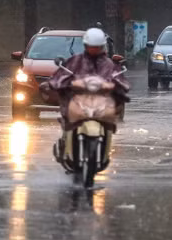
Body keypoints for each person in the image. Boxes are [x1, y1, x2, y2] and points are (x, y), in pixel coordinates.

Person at [46, 28, 130, 166]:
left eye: (97, 47)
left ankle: (104, 150)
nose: (94, 50)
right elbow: (60, 76)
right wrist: (60, 84)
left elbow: (120, 80)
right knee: (67, 112)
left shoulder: (109, 65)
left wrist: (120, 88)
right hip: (79, 102)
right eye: (91, 47)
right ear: (86, 46)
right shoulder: (75, 61)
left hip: (100, 103)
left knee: (111, 116)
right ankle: (65, 143)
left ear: (103, 47)